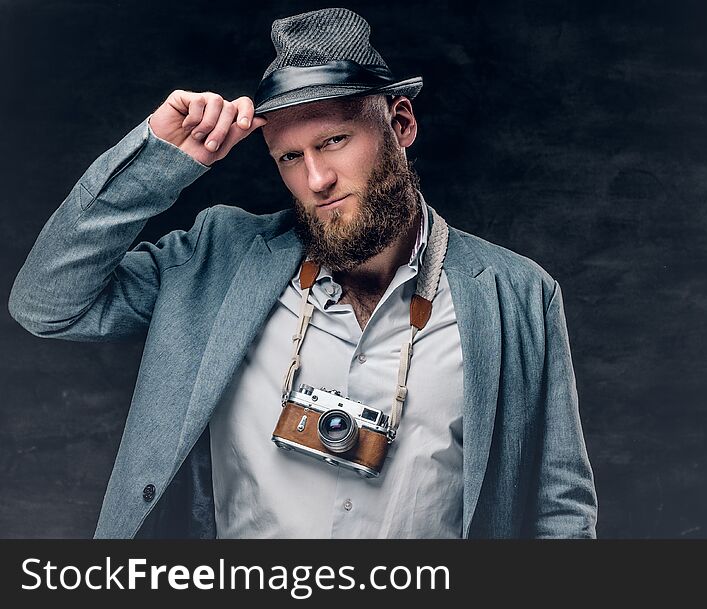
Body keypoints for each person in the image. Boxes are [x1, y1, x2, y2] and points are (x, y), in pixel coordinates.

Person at [8, 7, 597, 538]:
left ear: (401, 124)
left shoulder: (518, 294)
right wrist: (158, 162)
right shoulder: (218, 257)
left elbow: (558, 510)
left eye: (334, 140)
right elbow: (46, 304)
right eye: (290, 157)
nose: (316, 180)